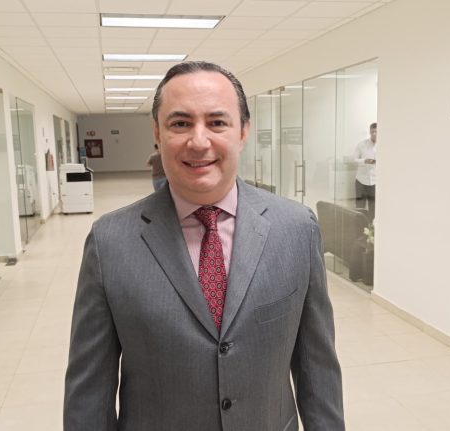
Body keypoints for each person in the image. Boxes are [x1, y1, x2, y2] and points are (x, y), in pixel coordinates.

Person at [64, 61, 345, 431]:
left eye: (217, 122)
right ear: (157, 133)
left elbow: (319, 371)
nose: (199, 142)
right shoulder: (110, 242)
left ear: (243, 131)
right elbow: (89, 394)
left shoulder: (296, 229)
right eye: (180, 123)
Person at [353, 122, 376, 219]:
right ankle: (358, 226)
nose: (374, 134)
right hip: (361, 181)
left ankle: (371, 226)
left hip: (375, 182)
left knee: (373, 208)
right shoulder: (361, 144)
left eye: (376, 131)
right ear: (369, 132)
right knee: (359, 207)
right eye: (372, 131)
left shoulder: (384, 146)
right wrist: (364, 161)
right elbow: (354, 160)